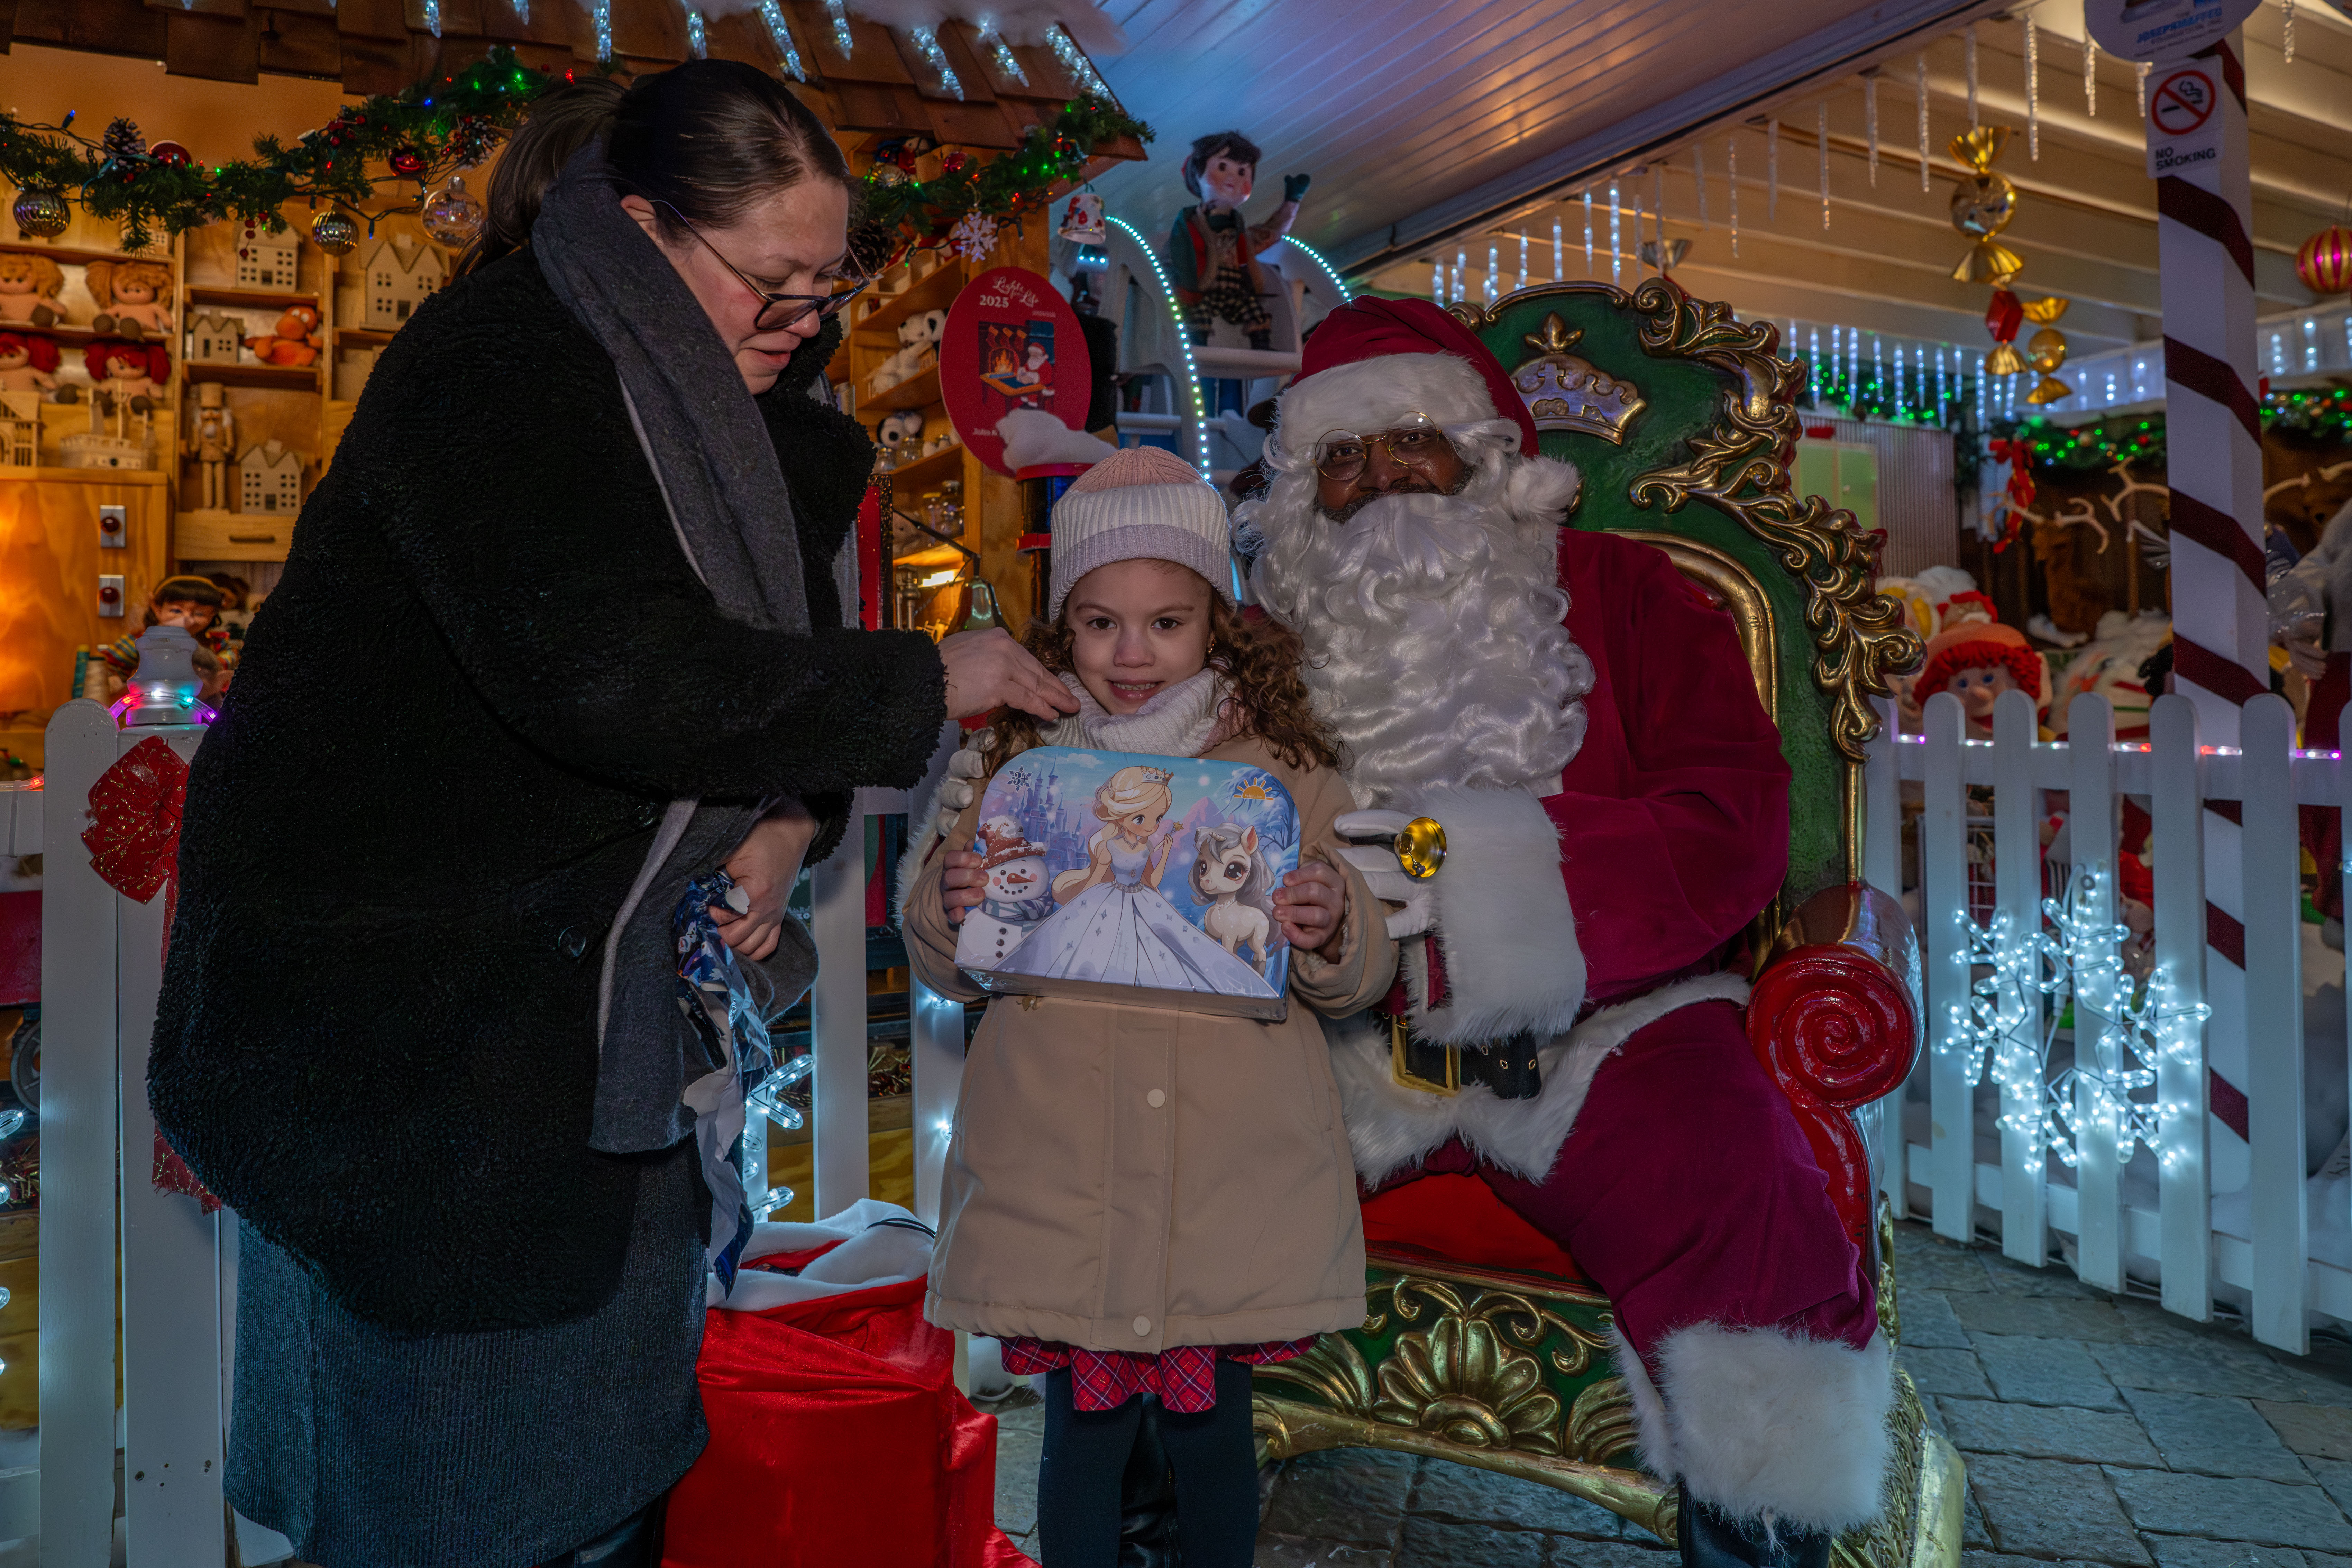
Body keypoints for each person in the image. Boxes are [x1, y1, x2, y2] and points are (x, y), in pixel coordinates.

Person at [148, 64, 1072, 1568]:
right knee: (451, 1508)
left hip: (577, 1056)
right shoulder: (502, 368)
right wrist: (918, 679)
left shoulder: (718, 424)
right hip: (415, 1060)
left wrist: (783, 829)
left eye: (827, 285)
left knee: (593, 1493)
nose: (802, 320)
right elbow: (621, 677)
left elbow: (743, 705)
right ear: (641, 236)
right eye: (768, 281)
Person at [1235, 298, 1888, 1568]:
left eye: (1413, 441)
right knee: (1157, 1141)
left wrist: (1502, 900)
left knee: (1735, 1186)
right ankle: (1151, 1512)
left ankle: (1760, 1537)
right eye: (1344, 460)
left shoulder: (1634, 595)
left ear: (1487, 454)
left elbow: (1733, 818)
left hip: (1613, 1030)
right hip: (1342, 1036)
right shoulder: (1271, 645)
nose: (1379, 484)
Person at [898, 445, 1395, 1568]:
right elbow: (947, 956)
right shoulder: (1014, 757)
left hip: (1228, 1173)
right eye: (1099, 623)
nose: (1133, 654)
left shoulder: (1288, 767)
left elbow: (1360, 976)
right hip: (1063, 1168)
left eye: (1167, 623)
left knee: (1212, 1427)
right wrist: (954, 898)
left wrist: (1330, 920)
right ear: (1059, 627)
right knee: (1082, 1429)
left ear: (1217, 619)